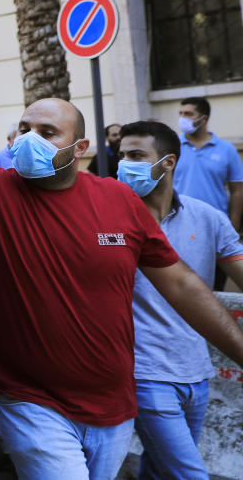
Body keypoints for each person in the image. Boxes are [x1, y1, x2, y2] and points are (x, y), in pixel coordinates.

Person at [0, 97, 243, 480]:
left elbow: (183, 284)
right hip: (32, 402)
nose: (29, 139)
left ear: (80, 147)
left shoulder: (120, 200)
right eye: (25, 129)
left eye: (47, 132)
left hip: (114, 407)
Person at [117, 120, 243, 479]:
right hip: (143, 373)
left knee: (158, 470)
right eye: (122, 155)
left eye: (137, 155)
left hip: (196, 371)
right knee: (189, 473)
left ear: (168, 162)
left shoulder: (207, 217)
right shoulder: (108, 221)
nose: (125, 164)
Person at [174, 96, 243, 290]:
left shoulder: (226, 149)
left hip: (215, 229)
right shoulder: (173, 147)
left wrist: (233, 225)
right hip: (179, 226)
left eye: (188, 114)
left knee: (215, 288)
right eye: (180, 113)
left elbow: (238, 190)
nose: (182, 118)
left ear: (203, 119)